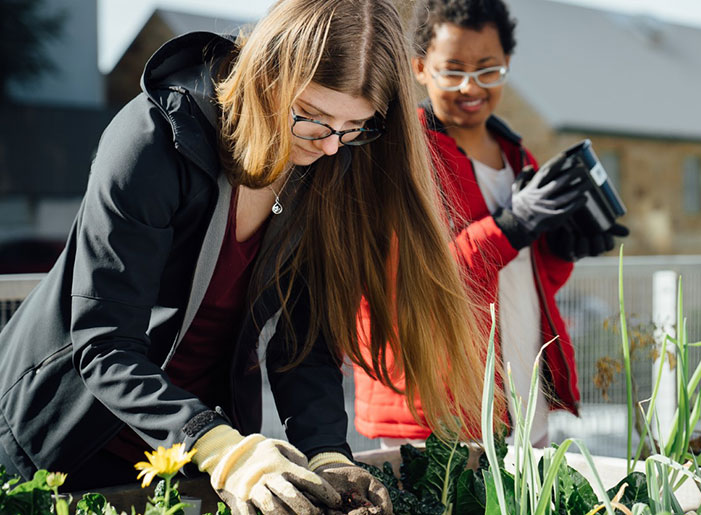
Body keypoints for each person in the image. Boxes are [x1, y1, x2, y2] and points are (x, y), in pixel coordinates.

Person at [0, 0, 491, 513]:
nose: (330, 147)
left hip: (201, 454)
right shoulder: (150, 142)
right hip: (64, 444)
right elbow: (105, 344)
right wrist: (221, 448)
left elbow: (305, 337)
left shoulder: (327, 162)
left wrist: (327, 453)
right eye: (314, 118)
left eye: (353, 127)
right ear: (267, 73)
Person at [352, 0, 628, 449]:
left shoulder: (519, 157)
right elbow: (409, 287)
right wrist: (512, 226)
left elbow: (523, 285)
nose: (470, 86)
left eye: (487, 69)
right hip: (437, 419)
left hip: (521, 404)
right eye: (452, 69)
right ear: (420, 68)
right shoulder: (395, 159)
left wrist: (560, 252)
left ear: (507, 65)